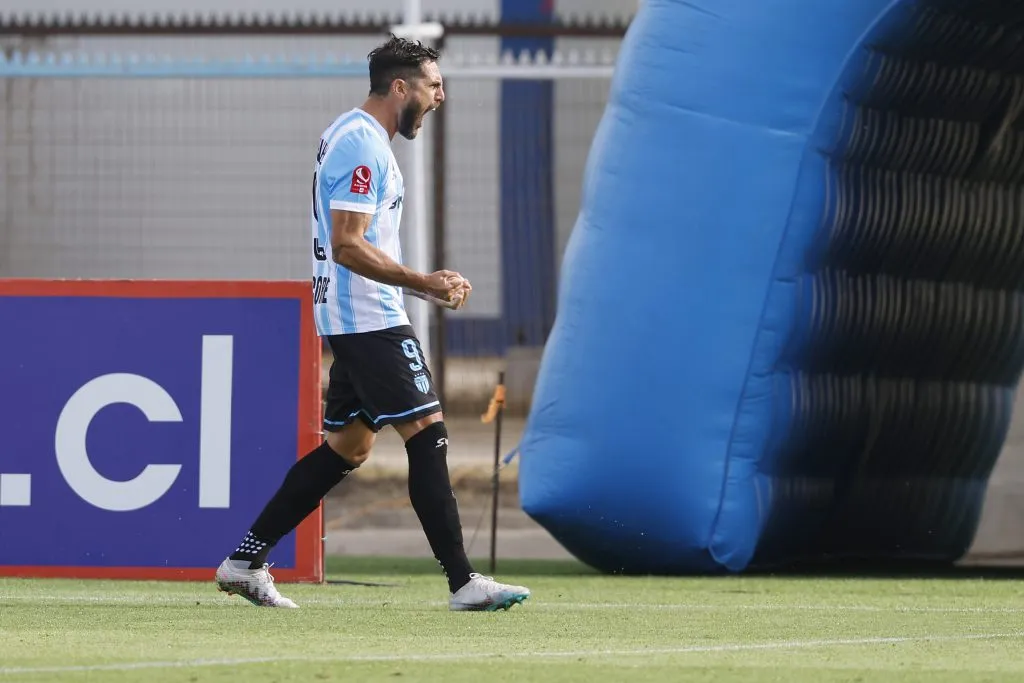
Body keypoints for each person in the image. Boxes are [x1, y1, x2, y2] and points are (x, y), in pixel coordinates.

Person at [214, 36, 531, 612]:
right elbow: (347, 244)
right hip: (369, 316)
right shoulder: (361, 144)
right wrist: (424, 282)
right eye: (434, 85)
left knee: (348, 447)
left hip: (352, 314)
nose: (441, 96)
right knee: (428, 434)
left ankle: (245, 560)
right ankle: (463, 583)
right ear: (400, 86)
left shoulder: (351, 132)